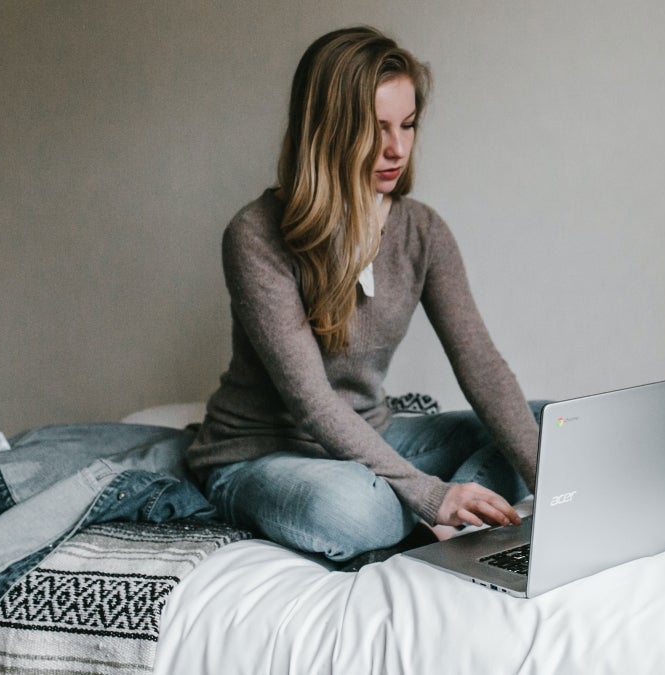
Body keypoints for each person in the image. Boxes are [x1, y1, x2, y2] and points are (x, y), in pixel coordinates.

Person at [184, 26, 543, 567]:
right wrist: (429, 494)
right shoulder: (255, 234)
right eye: (375, 130)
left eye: (408, 125)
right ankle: (437, 508)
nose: (397, 148)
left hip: (377, 438)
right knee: (353, 511)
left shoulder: (422, 230)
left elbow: (481, 365)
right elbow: (312, 402)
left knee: (549, 425)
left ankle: (461, 517)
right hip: (263, 454)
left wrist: (555, 484)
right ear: (327, 131)